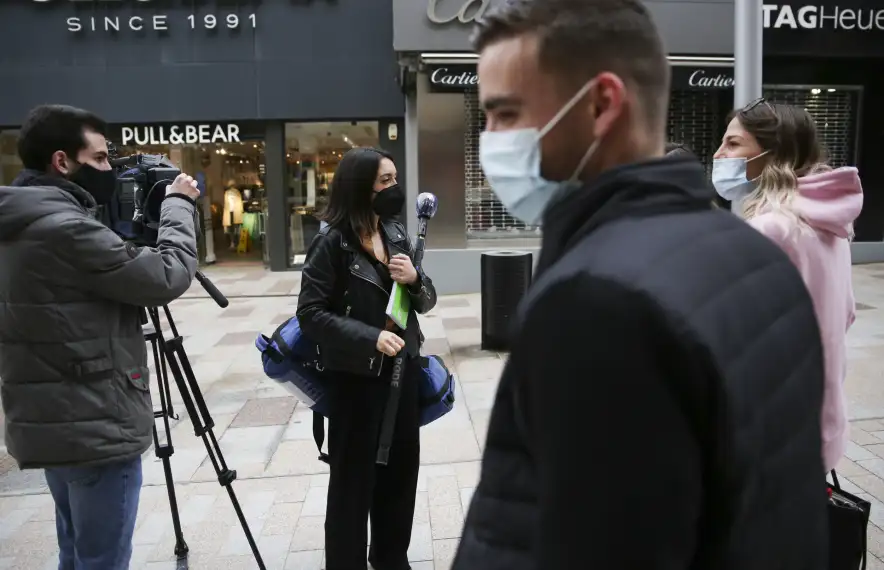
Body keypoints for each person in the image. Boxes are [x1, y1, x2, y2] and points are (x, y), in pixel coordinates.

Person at [453, 0, 828, 568]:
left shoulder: (597, 305)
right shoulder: (758, 254)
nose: (490, 140)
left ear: (601, 104)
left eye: (505, 113)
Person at [0, 104, 201, 570]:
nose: (109, 168)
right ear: (62, 161)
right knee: (102, 560)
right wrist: (178, 204)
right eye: (99, 158)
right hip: (93, 422)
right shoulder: (66, 229)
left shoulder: (19, 221)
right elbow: (165, 276)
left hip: (54, 415)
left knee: (75, 552)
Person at [296, 147, 437, 570]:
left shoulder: (395, 233)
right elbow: (310, 314)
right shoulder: (331, 243)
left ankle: (392, 558)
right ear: (360, 187)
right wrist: (370, 337)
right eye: (385, 181)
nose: (395, 187)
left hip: (402, 371)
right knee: (352, 485)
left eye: (395, 179)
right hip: (356, 380)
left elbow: (425, 301)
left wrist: (415, 279)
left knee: (401, 473)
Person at [714, 100, 863, 471]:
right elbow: (846, 312)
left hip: (774, 434)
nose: (718, 154)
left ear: (773, 152)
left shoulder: (770, 230)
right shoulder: (829, 223)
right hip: (821, 419)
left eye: (733, 143)